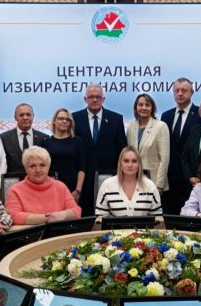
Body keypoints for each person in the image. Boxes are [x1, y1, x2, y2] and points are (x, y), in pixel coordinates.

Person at [72, 84, 127, 216]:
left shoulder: (116, 119)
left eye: (98, 97)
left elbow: (122, 150)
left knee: (108, 214)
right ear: (85, 99)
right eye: (91, 97)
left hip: (109, 176)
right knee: (85, 215)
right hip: (83, 177)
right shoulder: (74, 118)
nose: (95, 100)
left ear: (103, 99)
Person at [4, 146, 81, 225]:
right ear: (25, 168)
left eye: (42, 165)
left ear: (48, 167)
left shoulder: (60, 187)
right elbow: (13, 216)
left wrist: (63, 215)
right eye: (32, 166)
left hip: (58, 232)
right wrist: (48, 218)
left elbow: (77, 211)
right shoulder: (15, 190)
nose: (38, 170)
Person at [161, 77, 201, 214]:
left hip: (192, 175)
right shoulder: (166, 116)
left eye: (184, 90)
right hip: (170, 176)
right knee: (171, 214)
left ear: (192, 93)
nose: (180, 93)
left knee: (190, 215)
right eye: (176, 90)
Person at [96, 146, 163, 217]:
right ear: (120, 164)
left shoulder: (150, 186)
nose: (130, 165)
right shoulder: (107, 185)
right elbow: (100, 218)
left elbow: (158, 219)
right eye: (126, 161)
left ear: (139, 164)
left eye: (134, 161)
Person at [125, 93, 169, 194]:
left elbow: (164, 159)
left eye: (147, 105)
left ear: (152, 108)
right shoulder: (131, 128)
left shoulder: (161, 126)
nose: (144, 108)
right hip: (134, 182)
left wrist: (159, 185)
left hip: (154, 183)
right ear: (136, 107)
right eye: (140, 105)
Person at [41, 107, 85, 201]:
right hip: (50, 188)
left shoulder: (77, 141)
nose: (64, 121)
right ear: (54, 121)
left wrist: (78, 190)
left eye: (67, 119)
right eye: (61, 118)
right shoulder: (45, 143)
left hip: (72, 189)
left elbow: (81, 168)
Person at [0, 103, 49, 173]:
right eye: (21, 115)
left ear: (33, 116)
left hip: (37, 178)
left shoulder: (44, 138)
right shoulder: (3, 138)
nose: (25, 118)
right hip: (13, 178)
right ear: (15, 117)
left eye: (28, 115)